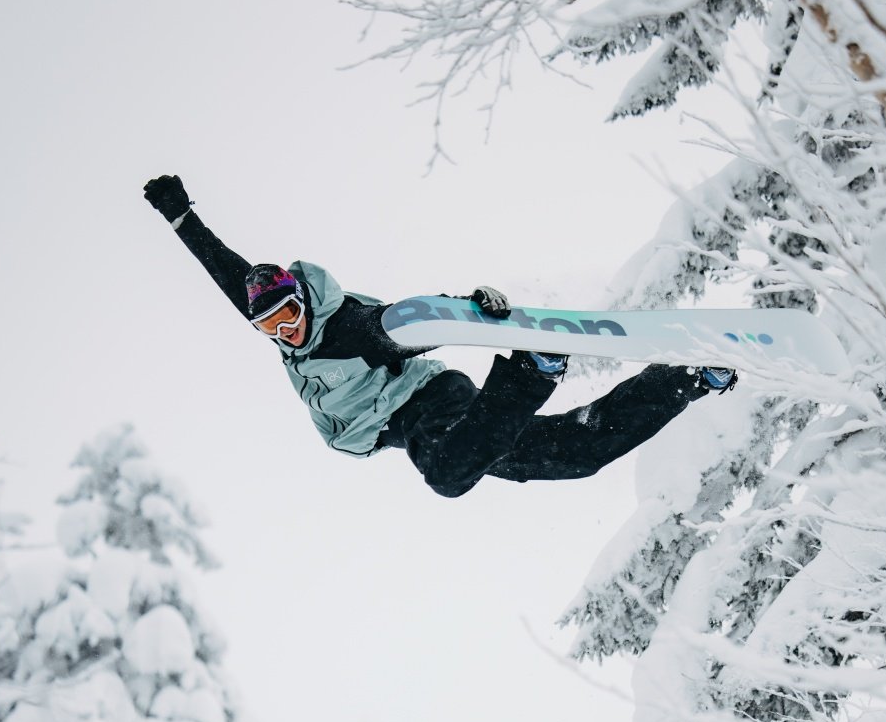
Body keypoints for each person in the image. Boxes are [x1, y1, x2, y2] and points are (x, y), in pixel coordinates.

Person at [143, 175, 736, 499]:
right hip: (430, 429)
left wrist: (467, 310)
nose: (285, 332)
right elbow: (227, 272)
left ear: (301, 298)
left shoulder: (344, 326)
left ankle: (535, 371)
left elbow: (404, 325)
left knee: (448, 478)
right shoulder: (283, 335)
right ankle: (688, 378)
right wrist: (181, 220)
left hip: (430, 409)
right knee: (577, 455)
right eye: (269, 326)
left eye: (287, 315)